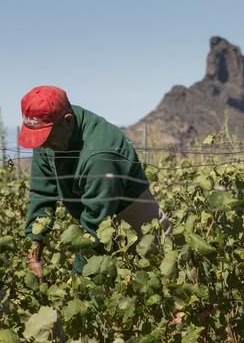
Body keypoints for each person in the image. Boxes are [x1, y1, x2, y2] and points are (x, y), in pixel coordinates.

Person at [19, 85, 168, 279]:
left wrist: (75, 282)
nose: (43, 145)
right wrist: (35, 250)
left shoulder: (100, 154)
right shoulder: (47, 128)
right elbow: (42, 193)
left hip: (136, 221)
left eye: (47, 138)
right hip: (94, 219)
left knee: (155, 280)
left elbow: (95, 225)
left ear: (68, 121)